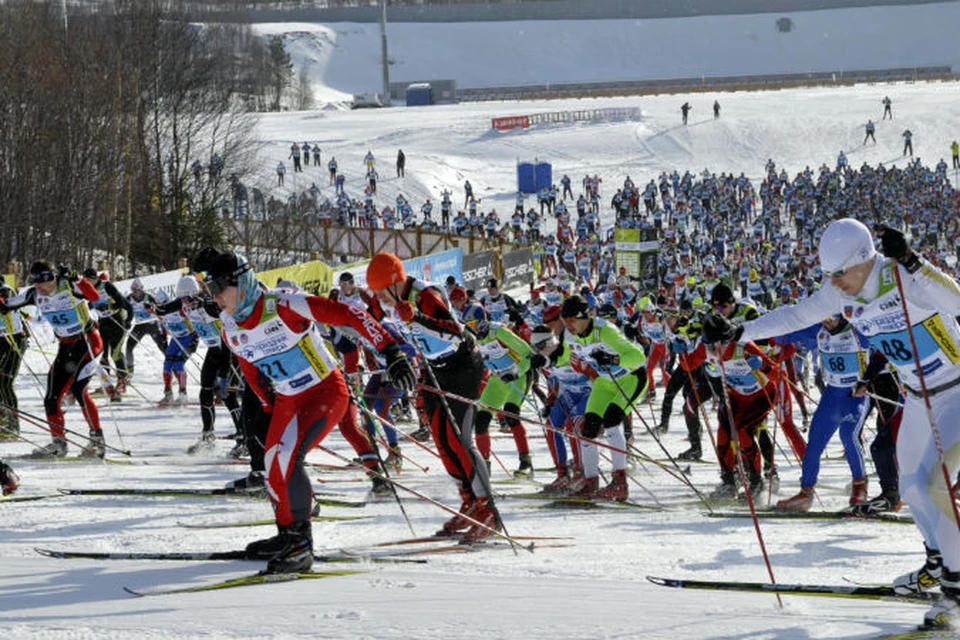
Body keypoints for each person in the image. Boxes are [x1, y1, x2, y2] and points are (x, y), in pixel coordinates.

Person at [723, 218, 960, 630]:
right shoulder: (840, 294)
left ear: (864, 260)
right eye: (828, 274)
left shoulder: (903, 277)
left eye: (839, 272)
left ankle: (956, 592)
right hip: (920, 399)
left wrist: (913, 259)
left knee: (935, 487)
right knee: (910, 488)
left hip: (958, 390)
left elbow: (957, 302)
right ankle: (938, 566)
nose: (833, 281)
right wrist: (740, 330)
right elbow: (795, 315)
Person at [204, 251, 415, 574]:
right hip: (288, 399)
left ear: (241, 281)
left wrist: (390, 350)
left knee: (287, 459)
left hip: (324, 390)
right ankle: (287, 534)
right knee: (272, 463)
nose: (216, 297)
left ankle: (302, 545)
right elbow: (250, 368)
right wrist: (266, 401)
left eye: (218, 287)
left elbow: (349, 315)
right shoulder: (230, 329)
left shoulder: (284, 304)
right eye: (209, 290)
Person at [365, 252, 499, 539]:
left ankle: (488, 509)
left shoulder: (425, 294)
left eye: (380, 291)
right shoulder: (382, 301)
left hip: (463, 364)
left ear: (394, 282)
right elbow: (375, 328)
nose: (379, 298)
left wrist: (418, 318)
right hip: (434, 367)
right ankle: (470, 502)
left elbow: (456, 333)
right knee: (440, 437)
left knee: (458, 438)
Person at [0, 262, 106, 457]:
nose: (39, 287)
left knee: (78, 389)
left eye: (42, 282)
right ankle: (59, 444)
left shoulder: (68, 285)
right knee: (51, 397)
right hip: (66, 347)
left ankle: (97, 440)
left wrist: (78, 279)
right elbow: (6, 307)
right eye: (35, 282)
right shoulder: (33, 294)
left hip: (88, 341)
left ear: (52, 278)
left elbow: (94, 296)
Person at [774, 315, 871, 511]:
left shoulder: (859, 331)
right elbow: (781, 338)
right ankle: (805, 493)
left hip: (856, 396)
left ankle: (860, 487)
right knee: (815, 443)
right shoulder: (819, 330)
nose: (827, 323)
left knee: (849, 436)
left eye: (831, 319)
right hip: (831, 396)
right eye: (823, 318)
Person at [560, 295, 646, 500]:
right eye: (564, 321)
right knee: (587, 429)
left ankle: (620, 482)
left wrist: (612, 358)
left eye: (571, 321)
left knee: (611, 423)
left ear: (584, 317)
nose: (568, 326)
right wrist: (545, 360)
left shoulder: (604, 330)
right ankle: (591, 481)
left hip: (630, 378)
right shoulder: (571, 336)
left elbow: (638, 358)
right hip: (605, 381)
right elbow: (565, 357)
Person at [176, 275, 242, 455]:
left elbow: (215, 307)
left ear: (195, 295)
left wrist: (223, 372)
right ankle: (208, 437)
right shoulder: (185, 303)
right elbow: (166, 307)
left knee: (228, 395)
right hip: (213, 351)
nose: (185, 303)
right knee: (205, 392)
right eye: (182, 299)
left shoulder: (210, 306)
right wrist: (154, 309)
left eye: (187, 299)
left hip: (230, 352)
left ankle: (243, 437)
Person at [85, 269, 132, 401]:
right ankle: (106, 384)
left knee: (115, 353)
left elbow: (122, 303)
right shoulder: (87, 289)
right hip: (103, 324)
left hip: (116, 322)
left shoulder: (106, 285)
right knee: (102, 354)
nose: (88, 283)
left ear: (95, 278)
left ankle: (122, 382)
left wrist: (108, 307)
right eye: (86, 281)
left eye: (89, 281)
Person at [124, 279, 168, 381]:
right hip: (139, 326)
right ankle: (129, 372)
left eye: (136, 290)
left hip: (151, 325)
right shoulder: (129, 298)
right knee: (129, 346)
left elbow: (160, 309)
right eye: (133, 290)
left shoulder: (148, 297)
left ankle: (173, 370)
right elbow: (122, 306)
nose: (134, 292)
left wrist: (153, 308)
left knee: (162, 347)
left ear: (141, 290)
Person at [0, 283, 26, 435]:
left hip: (13, 341)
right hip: (1, 341)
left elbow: (4, 308)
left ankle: (13, 425)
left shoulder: (6, 290)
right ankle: (3, 418)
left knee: (5, 383)